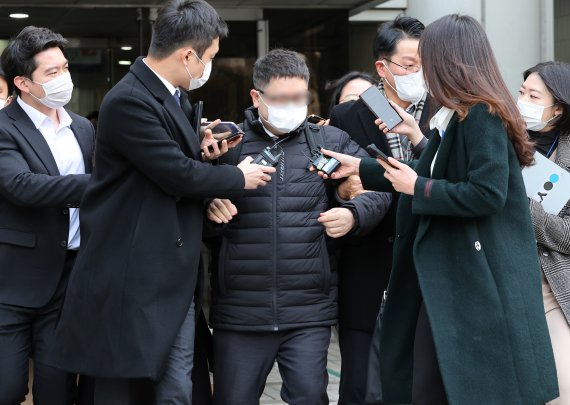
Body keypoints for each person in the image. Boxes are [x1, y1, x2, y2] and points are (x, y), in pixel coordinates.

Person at [317, 14, 559, 405]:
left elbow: (487, 193)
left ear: (451, 60)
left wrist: (418, 187)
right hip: (451, 274)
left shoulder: (482, 114)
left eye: (426, 60)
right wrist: (360, 168)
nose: (423, 72)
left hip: (471, 279)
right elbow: (427, 170)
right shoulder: (461, 114)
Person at [50, 1, 275, 404]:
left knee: (174, 385)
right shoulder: (130, 100)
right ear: (187, 55)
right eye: (208, 58)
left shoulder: (170, 95)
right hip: (135, 273)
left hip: (164, 272)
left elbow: (173, 163)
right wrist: (238, 176)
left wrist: (204, 150)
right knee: (132, 387)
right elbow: (175, 174)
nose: (208, 68)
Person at [205, 49, 392, 405]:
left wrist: (354, 214)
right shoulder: (228, 146)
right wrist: (208, 207)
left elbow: (378, 190)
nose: (292, 105)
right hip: (241, 312)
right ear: (257, 97)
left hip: (308, 311)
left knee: (310, 396)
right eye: (282, 99)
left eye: (299, 97)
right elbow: (190, 199)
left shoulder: (330, 142)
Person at [326, 15, 429, 405]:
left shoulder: (446, 111)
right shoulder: (348, 116)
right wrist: (345, 193)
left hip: (425, 263)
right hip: (368, 266)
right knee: (359, 384)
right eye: (408, 64)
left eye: (424, 62)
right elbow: (337, 184)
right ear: (382, 67)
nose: (418, 72)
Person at [0, 26, 95, 404]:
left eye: (66, 68)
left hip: (70, 281)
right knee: (7, 388)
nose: (64, 78)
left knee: (57, 390)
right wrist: (103, 183)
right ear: (23, 82)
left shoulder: (83, 128)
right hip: (12, 283)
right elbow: (22, 186)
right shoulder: (4, 128)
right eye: (51, 73)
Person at [518, 61, 570, 405]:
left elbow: (567, 236)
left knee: (562, 391)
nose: (522, 100)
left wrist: (519, 202)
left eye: (533, 95)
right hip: (501, 282)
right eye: (521, 92)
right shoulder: (505, 140)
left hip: (549, 287)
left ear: (558, 108)